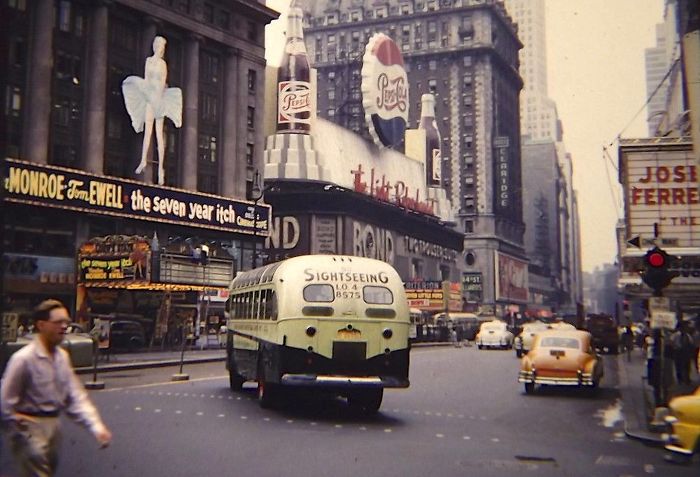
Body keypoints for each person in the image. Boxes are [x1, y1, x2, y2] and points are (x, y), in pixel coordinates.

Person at [1, 299, 112, 476]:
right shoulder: (23, 359)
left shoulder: (61, 357)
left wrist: (96, 426)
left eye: (66, 322)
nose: (64, 327)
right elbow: (5, 402)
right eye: (58, 322)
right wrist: (18, 425)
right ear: (41, 325)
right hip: (30, 428)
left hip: (54, 426)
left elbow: (74, 396)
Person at [122, 35, 182, 185]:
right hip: (149, 97)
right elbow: (146, 79)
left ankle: (161, 169)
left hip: (159, 99)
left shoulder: (163, 64)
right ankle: (143, 160)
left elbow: (162, 83)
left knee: (159, 136)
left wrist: (157, 99)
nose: (160, 49)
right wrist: (148, 95)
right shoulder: (149, 61)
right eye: (159, 45)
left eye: (162, 47)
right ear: (155, 46)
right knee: (148, 132)